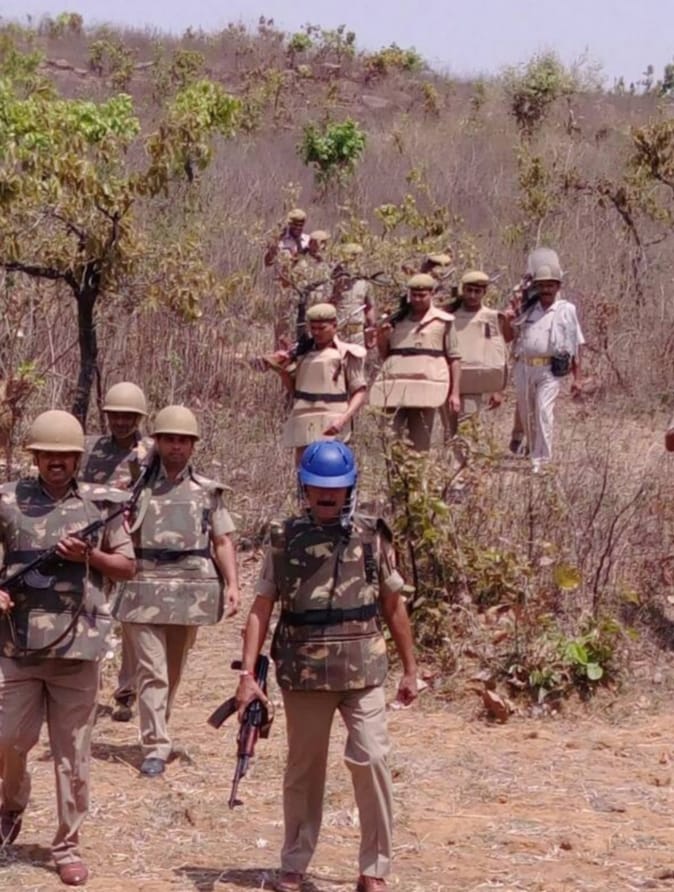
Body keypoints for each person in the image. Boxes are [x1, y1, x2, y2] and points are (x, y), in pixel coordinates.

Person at [236, 441, 418, 892]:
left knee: (372, 758)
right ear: (305, 488)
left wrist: (411, 669)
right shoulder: (283, 538)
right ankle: (294, 862)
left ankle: (374, 869)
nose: (327, 496)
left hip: (363, 670)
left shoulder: (372, 535)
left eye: (336, 488)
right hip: (304, 672)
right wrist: (247, 676)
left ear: (350, 488)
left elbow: (393, 605)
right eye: (318, 487)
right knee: (304, 767)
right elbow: (261, 608)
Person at [0, 410, 135, 886]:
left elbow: (127, 567)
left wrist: (89, 556)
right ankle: (10, 805)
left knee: (72, 753)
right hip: (17, 644)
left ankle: (66, 845)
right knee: (8, 739)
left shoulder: (103, 505)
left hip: (78, 646)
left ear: (78, 459)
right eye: (47, 455)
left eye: (64, 455)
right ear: (35, 457)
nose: (55, 462)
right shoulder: (8, 500)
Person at [111, 405, 240, 777]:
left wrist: (233, 584)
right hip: (143, 584)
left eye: (183, 440)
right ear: (157, 441)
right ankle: (155, 745)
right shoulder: (134, 487)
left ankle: (159, 729)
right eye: (169, 439)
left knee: (172, 669)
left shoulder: (206, 492)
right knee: (152, 670)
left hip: (189, 588)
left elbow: (222, 541)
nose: (176, 447)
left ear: (193, 445)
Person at [79, 381, 152, 722]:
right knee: (92, 613)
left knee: (133, 620)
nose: (121, 422)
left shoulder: (152, 452)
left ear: (139, 418)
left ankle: (127, 691)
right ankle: (86, 692)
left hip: (136, 542)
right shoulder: (88, 448)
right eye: (115, 416)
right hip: (95, 541)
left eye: (128, 416)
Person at [503, 260, 584, 471]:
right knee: (526, 414)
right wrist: (510, 317)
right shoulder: (526, 308)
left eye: (551, 285)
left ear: (558, 286)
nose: (546, 289)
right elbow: (508, 336)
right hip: (524, 367)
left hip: (549, 370)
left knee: (543, 412)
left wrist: (577, 378)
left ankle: (542, 461)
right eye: (542, 285)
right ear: (536, 287)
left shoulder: (566, 310)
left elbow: (575, 344)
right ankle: (533, 449)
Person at [369, 273, 461, 452]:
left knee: (420, 444)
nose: (417, 299)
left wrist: (454, 393)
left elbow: (454, 358)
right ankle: (395, 471)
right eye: (414, 295)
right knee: (390, 440)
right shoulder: (396, 320)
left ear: (431, 293)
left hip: (426, 386)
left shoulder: (443, 321)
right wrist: (382, 337)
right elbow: (385, 355)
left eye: (422, 295)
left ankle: (419, 471)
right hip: (395, 386)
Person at [271, 303, 367, 466]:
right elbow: (295, 391)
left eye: (322, 328)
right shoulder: (303, 354)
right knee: (304, 472)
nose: (316, 333)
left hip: (332, 422)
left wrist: (343, 419)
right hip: (303, 424)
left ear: (334, 325)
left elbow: (360, 391)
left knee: (332, 469)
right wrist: (281, 370)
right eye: (313, 328)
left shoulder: (345, 354)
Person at [443, 270, 507, 438]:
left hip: (473, 383)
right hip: (448, 382)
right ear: (462, 290)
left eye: (477, 291)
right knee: (449, 432)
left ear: (484, 292)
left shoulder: (490, 317)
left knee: (468, 431)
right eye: (469, 290)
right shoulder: (448, 316)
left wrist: (497, 388)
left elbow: (498, 355)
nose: (472, 295)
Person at [330, 243, 377, 349]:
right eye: (352, 256)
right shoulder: (333, 282)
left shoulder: (365, 282)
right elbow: (327, 306)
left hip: (357, 333)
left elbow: (369, 307)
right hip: (338, 332)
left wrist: (372, 330)